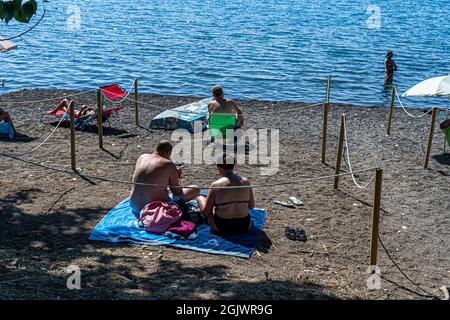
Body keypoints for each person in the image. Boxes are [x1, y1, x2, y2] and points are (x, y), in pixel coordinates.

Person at [130, 140, 200, 213]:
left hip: (134, 205)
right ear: (168, 153)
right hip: (152, 209)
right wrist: (177, 176)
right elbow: (177, 192)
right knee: (195, 189)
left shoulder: (142, 157)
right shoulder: (168, 164)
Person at [197, 155, 254, 234]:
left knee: (200, 198)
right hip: (244, 225)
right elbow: (251, 206)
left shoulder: (215, 185)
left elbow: (207, 211)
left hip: (222, 226)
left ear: (220, 168)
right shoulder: (246, 182)